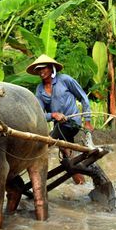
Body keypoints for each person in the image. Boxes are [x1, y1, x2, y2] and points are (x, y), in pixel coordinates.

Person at [26, 54, 94, 185]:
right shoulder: (40, 90)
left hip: (72, 123)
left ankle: (36, 180)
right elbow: (40, 114)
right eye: (39, 69)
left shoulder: (65, 80)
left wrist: (87, 121)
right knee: (66, 155)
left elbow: (83, 97)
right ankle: (81, 183)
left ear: (51, 68)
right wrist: (53, 115)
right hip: (59, 126)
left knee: (46, 143)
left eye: (43, 68)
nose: (41, 72)